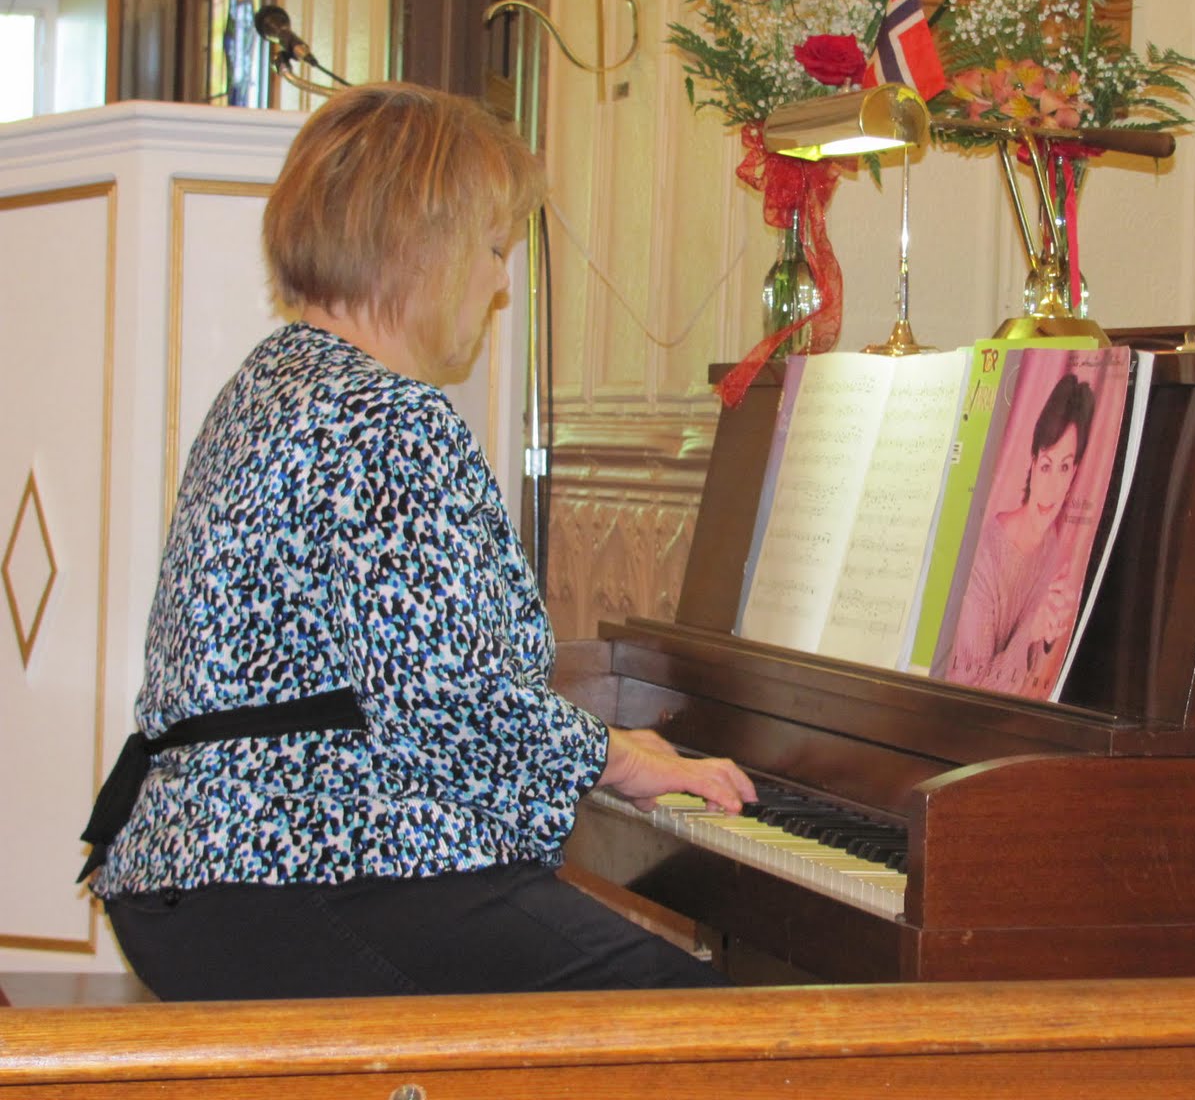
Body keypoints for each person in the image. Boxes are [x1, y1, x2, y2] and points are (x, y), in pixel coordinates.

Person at [78, 81, 756, 1001]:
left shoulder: (273, 381)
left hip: (213, 869)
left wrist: (592, 741)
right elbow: (448, 702)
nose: (499, 281)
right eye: (490, 248)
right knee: (723, 1033)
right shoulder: (388, 416)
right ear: (420, 246)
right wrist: (625, 760)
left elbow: (403, 680)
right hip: (313, 867)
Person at [943, 369, 1096, 698]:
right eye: (1046, 465)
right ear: (1032, 462)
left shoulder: (1057, 552)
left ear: (1076, 473)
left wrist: (1051, 639)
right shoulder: (984, 554)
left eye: (1065, 467)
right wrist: (1032, 631)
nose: (1052, 487)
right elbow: (968, 697)